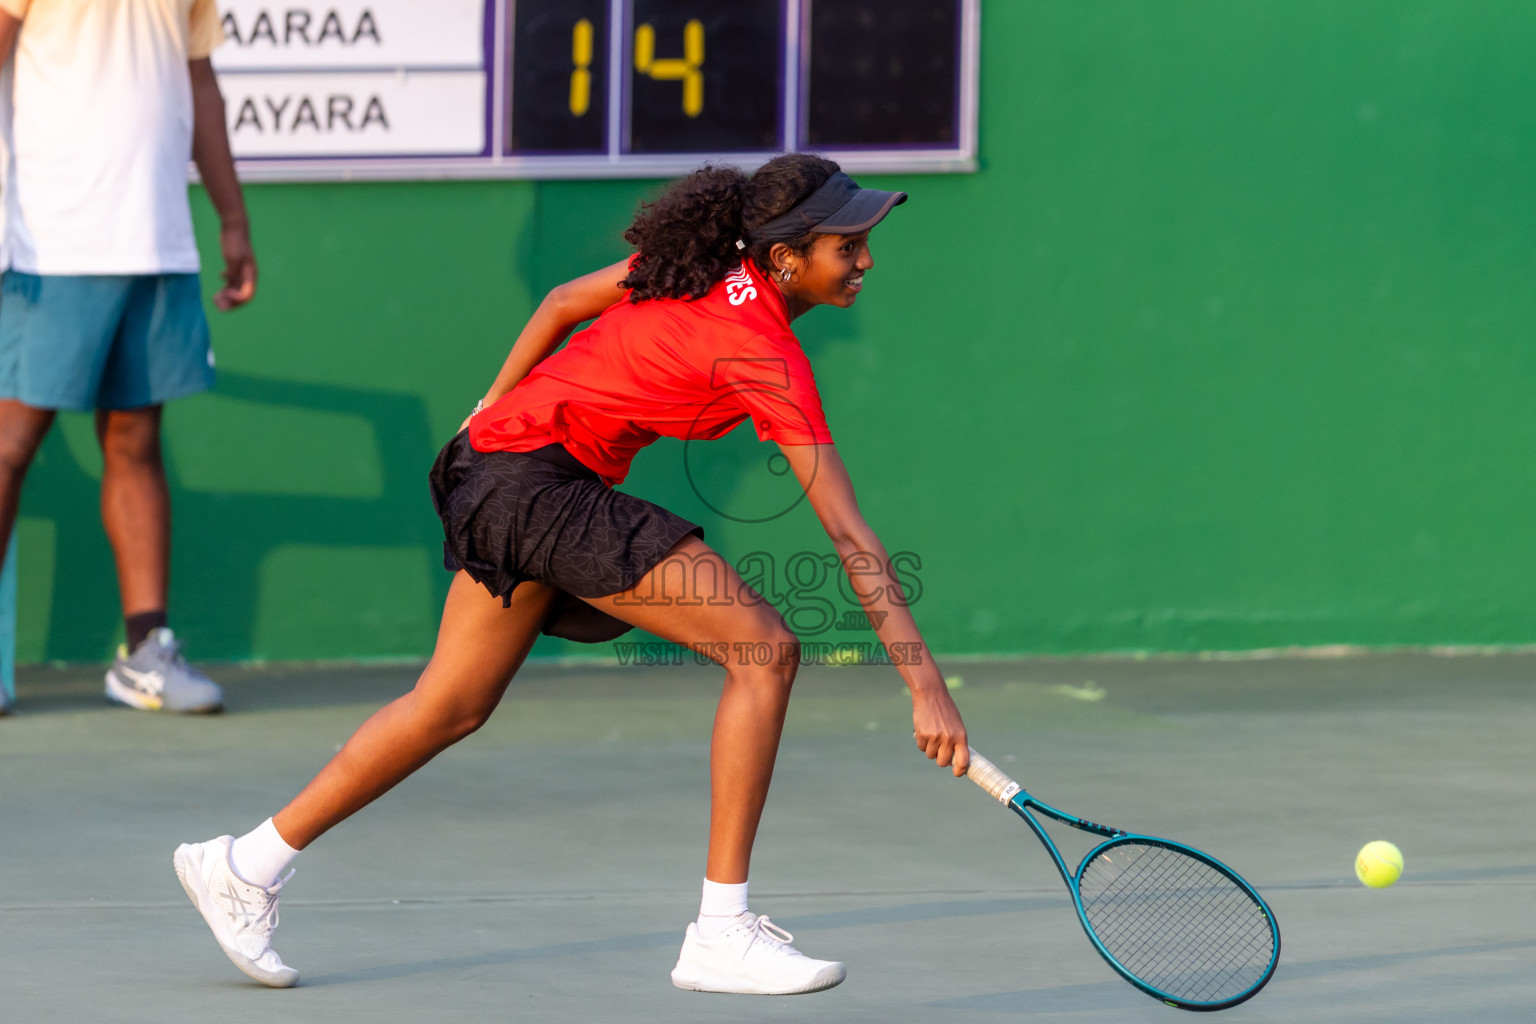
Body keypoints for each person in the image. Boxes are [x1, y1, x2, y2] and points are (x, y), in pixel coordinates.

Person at [173, 154, 971, 994]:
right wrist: (926, 686)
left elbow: (559, 304)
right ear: (784, 256)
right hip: (534, 485)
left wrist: (488, 408)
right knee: (763, 651)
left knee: (449, 706)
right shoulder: (764, 354)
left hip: (492, 467)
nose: (865, 261)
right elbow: (850, 535)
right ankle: (721, 931)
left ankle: (244, 866)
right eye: (848, 245)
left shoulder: (692, 264)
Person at [0, 0, 254, 714]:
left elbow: (198, 80)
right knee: (11, 443)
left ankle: (145, 655)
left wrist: (232, 217)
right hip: (50, 241)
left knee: (136, 440)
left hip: (156, 237)